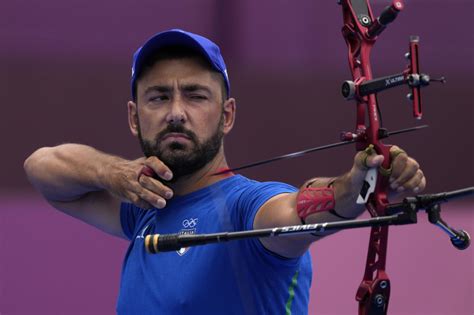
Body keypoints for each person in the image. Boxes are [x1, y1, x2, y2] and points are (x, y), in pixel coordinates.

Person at [24, 29, 425, 314]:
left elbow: (302, 208)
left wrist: (357, 185)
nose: (176, 112)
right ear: (134, 117)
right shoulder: (141, 208)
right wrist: (112, 172)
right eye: (159, 96)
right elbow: (42, 167)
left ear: (227, 114)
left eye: (196, 95)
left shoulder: (246, 206)